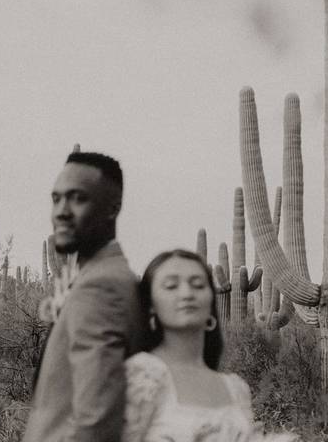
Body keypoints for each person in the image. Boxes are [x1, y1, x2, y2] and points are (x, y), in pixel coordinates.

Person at [23, 152, 147, 442]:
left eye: (77, 198)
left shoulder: (101, 287)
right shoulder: (105, 275)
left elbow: (97, 419)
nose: (61, 211)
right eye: (56, 199)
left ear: (113, 208)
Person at [123, 250, 296, 442]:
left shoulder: (235, 388)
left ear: (211, 300)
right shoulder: (140, 375)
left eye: (198, 285)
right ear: (150, 305)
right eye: (171, 286)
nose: (187, 294)